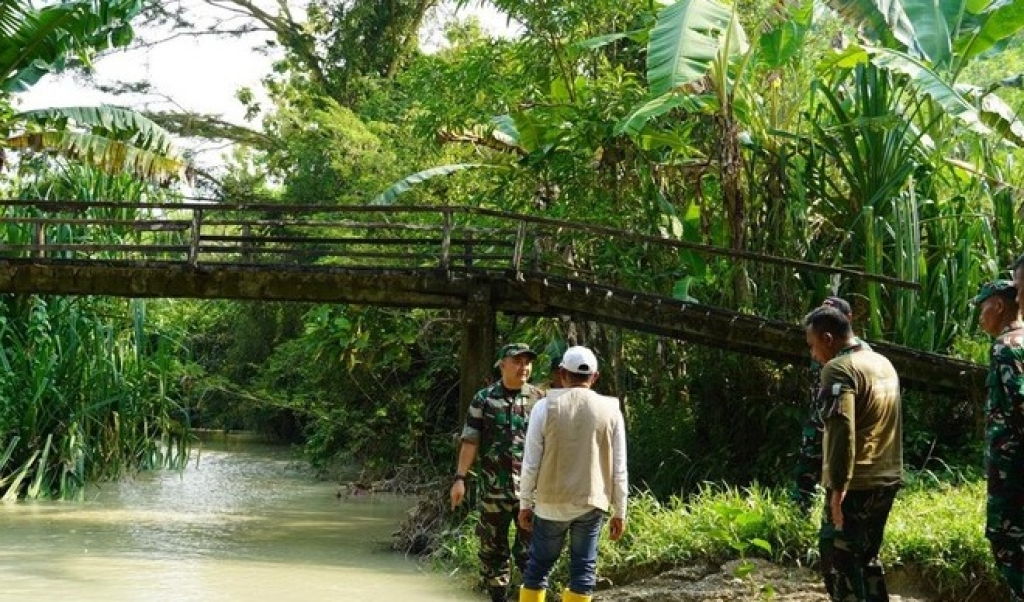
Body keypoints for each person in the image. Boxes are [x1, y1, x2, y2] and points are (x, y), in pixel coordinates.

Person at [804, 306, 902, 602]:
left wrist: (837, 487)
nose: (813, 354)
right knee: (868, 558)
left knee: (838, 563)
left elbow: (841, 431)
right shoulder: (881, 361)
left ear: (828, 338)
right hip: (887, 479)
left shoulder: (838, 369)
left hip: (855, 485)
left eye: (812, 345)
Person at [516, 346, 628, 602]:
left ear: (562, 374)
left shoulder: (544, 408)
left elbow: (530, 463)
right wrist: (620, 512)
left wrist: (525, 503)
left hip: (549, 505)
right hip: (591, 503)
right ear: (595, 377)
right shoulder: (611, 410)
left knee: (538, 568)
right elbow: (619, 468)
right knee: (583, 571)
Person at [450, 343, 543, 602]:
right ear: (502, 364)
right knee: (492, 553)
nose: (523, 367)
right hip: (494, 492)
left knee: (531, 553)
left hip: (530, 493)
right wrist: (460, 479)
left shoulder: (540, 400)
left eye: (527, 362)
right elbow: (470, 440)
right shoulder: (484, 398)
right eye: (517, 361)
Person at [792, 296, 868, 512]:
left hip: (842, 423)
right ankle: (800, 514)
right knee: (806, 474)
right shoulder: (821, 349)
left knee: (838, 479)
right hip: (818, 421)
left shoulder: (860, 356)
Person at [977, 277, 1024, 600]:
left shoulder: (1006, 348)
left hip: (1012, 469)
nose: (981, 318)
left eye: (982, 309)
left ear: (998, 305)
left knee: (1006, 542)